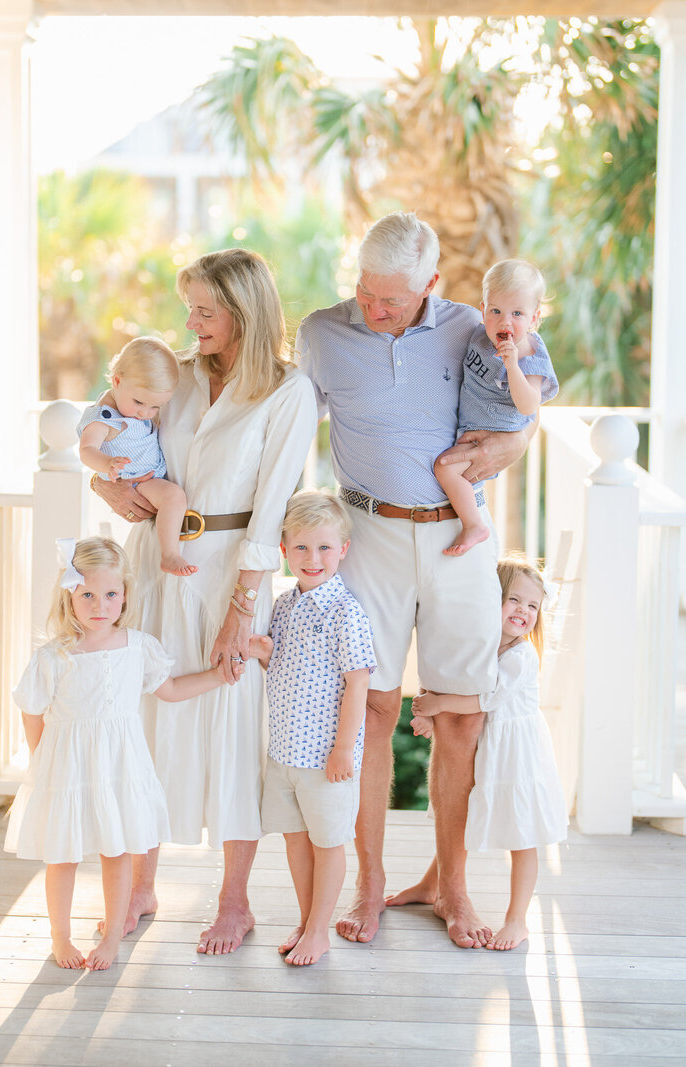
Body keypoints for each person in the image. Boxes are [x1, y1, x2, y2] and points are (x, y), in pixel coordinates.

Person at [296, 211, 535, 949]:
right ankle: (369, 883)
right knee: (366, 708)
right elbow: (277, 431)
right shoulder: (321, 333)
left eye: (393, 299)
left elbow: (524, 407)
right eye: (366, 291)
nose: (374, 308)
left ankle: (450, 885)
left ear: (432, 284)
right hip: (366, 532)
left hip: (458, 538)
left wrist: (519, 440)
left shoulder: (471, 325)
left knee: (461, 714)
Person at [89, 248, 317, 954]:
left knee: (233, 727)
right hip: (157, 566)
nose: (190, 322)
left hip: (229, 574)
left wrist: (242, 609)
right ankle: (142, 886)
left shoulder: (287, 393)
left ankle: (234, 901)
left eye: (204, 310)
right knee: (146, 720)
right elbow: (116, 436)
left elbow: (273, 506)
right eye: (189, 307)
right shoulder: (176, 378)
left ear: (244, 312)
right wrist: (108, 487)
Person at [4, 537, 238, 970]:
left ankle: (112, 936)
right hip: (67, 769)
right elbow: (31, 711)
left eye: (110, 594)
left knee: (117, 852)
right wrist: (41, 764)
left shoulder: (138, 646)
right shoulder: (54, 656)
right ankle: (61, 936)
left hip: (120, 766)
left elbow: (169, 690)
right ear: (69, 595)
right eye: (87, 594)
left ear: (125, 595)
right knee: (64, 855)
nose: (100, 605)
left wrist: (220, 676)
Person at [408, 555, 568, 950]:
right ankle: (432, 886)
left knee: (522, 836)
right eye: (514, 600)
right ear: (488, 599)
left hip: (516, 755)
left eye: (532, 606)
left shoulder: (520, 655)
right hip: (487, 749)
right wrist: (434, 716)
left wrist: (438, 705)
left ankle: (517, 920)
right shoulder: (481, 647)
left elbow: (484, 699)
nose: (524, 612)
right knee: (462, 814)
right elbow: (461, 686)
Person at [249, 491, 376, 966]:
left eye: (324, 547)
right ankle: (307, 921)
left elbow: (358, 681)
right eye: (301, 548)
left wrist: (345, 748)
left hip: (326, 758)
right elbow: (280, 664)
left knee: (328, 842)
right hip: (284, 753)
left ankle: (319, 930)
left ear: (343, 549)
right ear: (284, 551)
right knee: (296, 840)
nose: (313, 558)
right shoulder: (284, 605)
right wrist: (263, 651)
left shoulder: (346, 612)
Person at [434, 260, 558, 557]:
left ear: (534, 318)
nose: (505, 322)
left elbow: (528, 403)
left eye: (517, 313)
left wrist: (512, 365)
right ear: (483, 308)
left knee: (445, 469)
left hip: (494, 433)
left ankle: (474, 525)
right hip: (471, 426)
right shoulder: (479, 335)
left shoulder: (530, 356)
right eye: (496, 311)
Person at [77, 337, 196, 577]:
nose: (145, 413)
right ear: (117, 381)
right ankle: (170, 554)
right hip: (137, 480)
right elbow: (86, 450)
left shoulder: (133, 408)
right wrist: (107, 463)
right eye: (139, 402)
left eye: (155, 407)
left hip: (151, 473)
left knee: (173, 497)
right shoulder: (105, 418)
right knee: (174, 496)